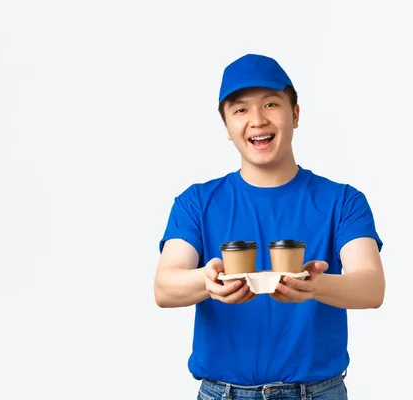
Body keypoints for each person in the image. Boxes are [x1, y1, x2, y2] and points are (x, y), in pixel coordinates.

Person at [154, 53, 385, 400]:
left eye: (271, 104)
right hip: (221, 393)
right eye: (240, 110)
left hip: (318, 393)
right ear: (227, 127)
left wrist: (317, 286)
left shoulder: (342, 201)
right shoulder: (196, 202)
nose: (257, 120)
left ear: (295, 114)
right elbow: (164, 287)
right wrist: (208, 282)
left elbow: (371, 287)